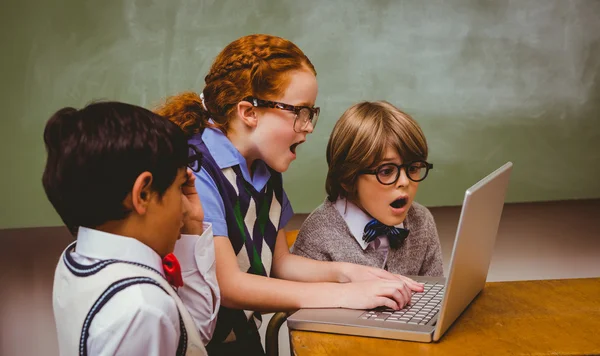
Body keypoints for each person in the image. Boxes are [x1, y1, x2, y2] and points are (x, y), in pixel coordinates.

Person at [156, 34, 423, 355]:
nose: (308, 126)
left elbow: (280, 262)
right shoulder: (198, 168)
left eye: (311, 113)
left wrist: (349, 273)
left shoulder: (265, 167)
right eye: (300, 112)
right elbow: (229, 286)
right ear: (249, 112)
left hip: (242, 339)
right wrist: (342, 295)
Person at [42, 101, 214, 355]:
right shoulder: (143, 307)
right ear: (143, 194)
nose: (186, 207)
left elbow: (190, 334)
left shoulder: (79, 258)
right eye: (179, 188)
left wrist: (190, 227)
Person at [292, 101, 443, 276]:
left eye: (413, 168)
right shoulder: (316, 237)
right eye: (386, 171)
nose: (404, 181)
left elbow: (438, 296)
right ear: (347, 178)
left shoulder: (421, 221)